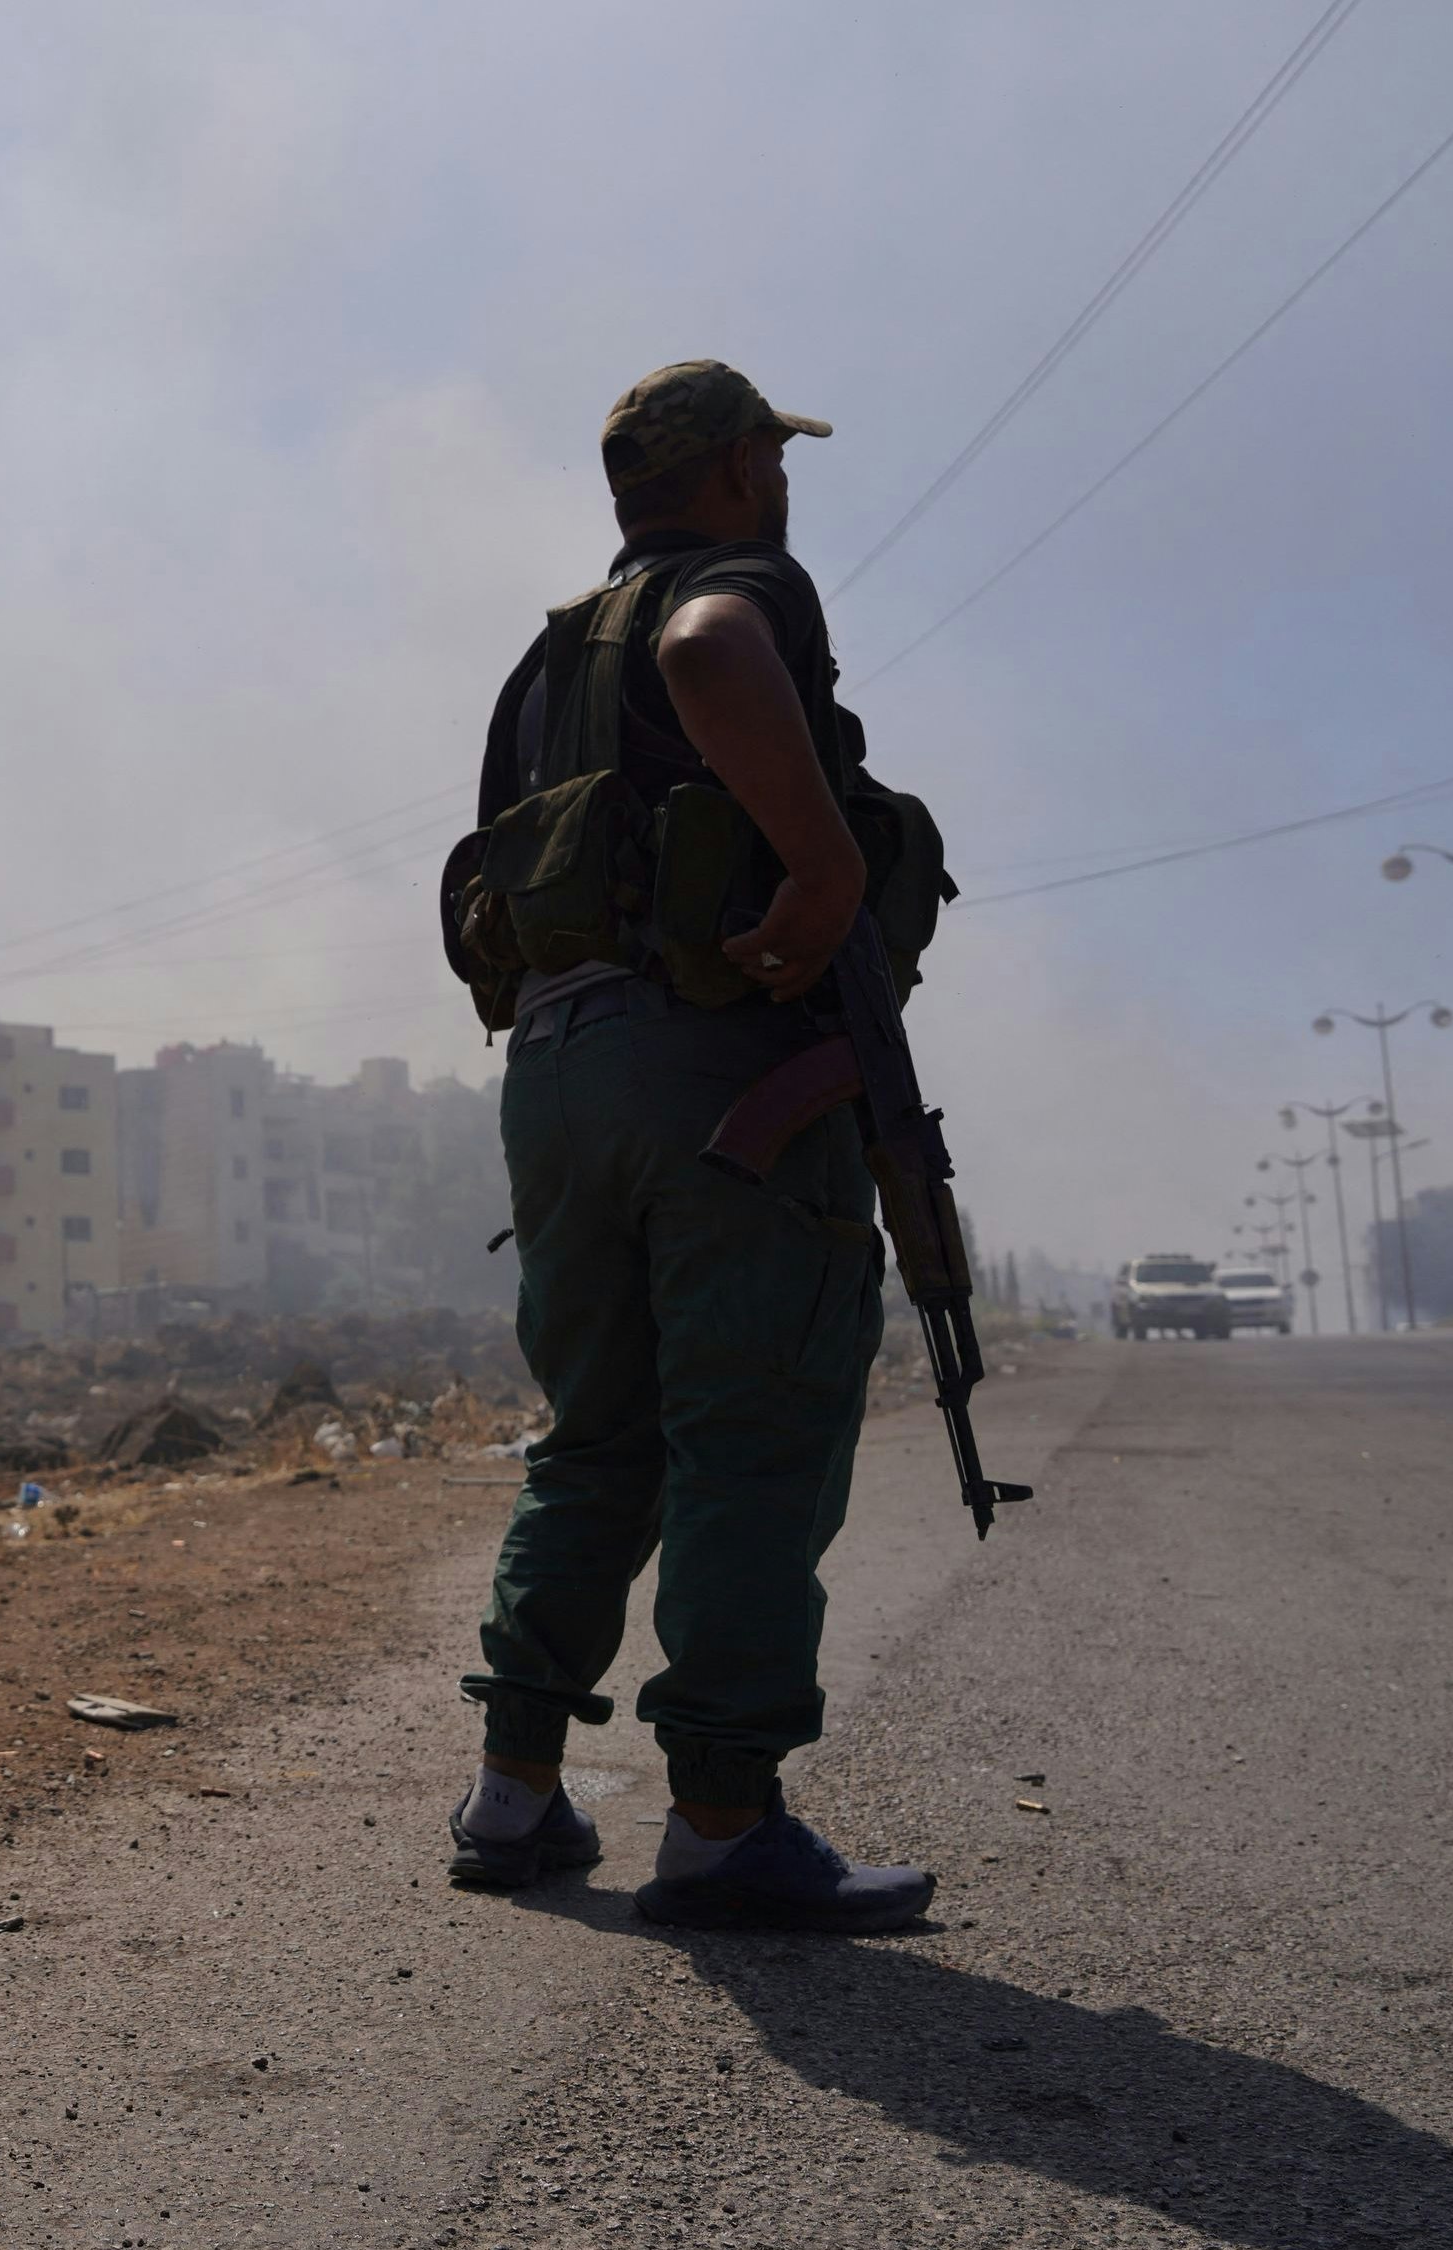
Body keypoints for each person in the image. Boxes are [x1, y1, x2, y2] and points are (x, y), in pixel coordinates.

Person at [442, 361, 936, 1934]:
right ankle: (724, 1820)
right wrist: (825, 862)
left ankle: (513, 1792)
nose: (782, 487)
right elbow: (715, 648)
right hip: (717, 1073)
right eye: (771, 462)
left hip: (561, 1071)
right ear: (734, 468)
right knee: (754, 1429)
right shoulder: (736, 588)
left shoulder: (543, 664)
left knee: (599, 1437)